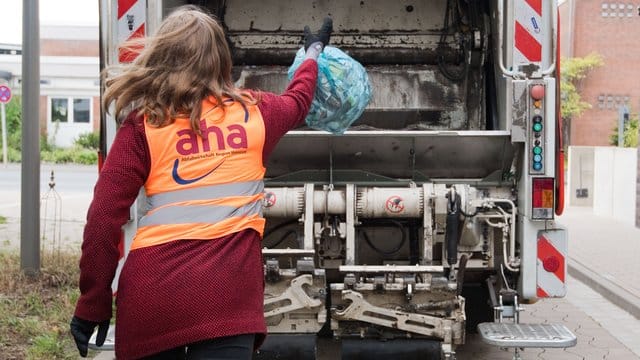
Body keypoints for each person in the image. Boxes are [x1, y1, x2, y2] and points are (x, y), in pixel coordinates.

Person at [69, 5, 332, 359]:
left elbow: (103, 220)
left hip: (152, 302)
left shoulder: (142, 126)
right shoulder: (256, 114)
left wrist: (93, 303)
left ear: (161, 57)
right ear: (222, 60)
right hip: (227, 304)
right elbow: (298, 99)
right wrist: (312, 53)